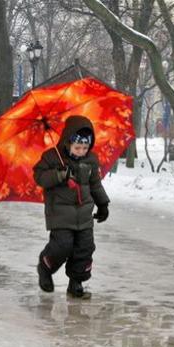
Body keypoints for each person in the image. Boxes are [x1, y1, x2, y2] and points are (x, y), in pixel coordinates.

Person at [33, 116, 110, 298]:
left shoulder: (91, 160)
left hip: (84, 214)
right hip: (60, 213)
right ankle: (45, 267)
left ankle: (76, 282)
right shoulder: (52, 157)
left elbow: (95, 184)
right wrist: (59, 175)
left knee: (85, 248)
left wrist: (103, 204)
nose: (81, 151)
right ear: (68, 142)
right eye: (78, 147)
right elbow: (40, 177)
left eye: (85, 148)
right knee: (62, 246)